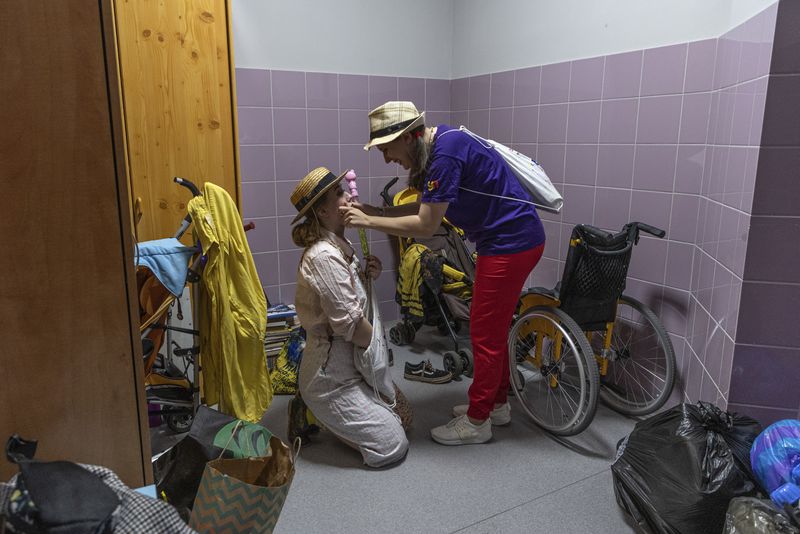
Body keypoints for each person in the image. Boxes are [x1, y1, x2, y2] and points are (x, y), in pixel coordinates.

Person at [341, 101, 546, 446]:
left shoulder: (445, 155)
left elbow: (426, 223)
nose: (386, 158)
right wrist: (377, 209)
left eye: (386, 149)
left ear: (407, 138)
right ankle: (495, 406)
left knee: (484, 335)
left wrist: (369, 221)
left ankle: (478, 421)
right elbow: (427, 206)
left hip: (510, 244)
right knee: (491, 330)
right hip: (508, 241)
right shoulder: (444, 143)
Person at [289, 166, 410, 468]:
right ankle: (312, 408)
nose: (348, 197)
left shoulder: (341, 245)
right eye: (339, 194)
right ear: (323, 211)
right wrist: (378, 360)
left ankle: (330, 412)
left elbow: (351, 297)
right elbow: (353, 327)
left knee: (406, 417)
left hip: (353, 366)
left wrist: (369, 274)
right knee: (392, 445)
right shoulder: (323, 257)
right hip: (332, 379)